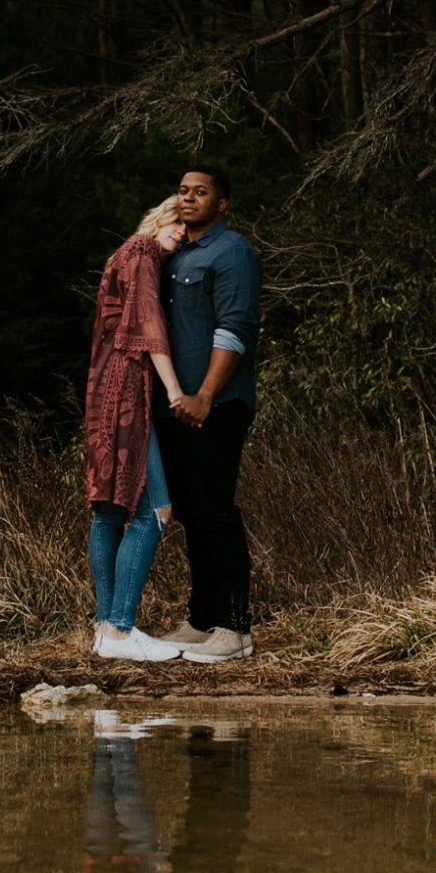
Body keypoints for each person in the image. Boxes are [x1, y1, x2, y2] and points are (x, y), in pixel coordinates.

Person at [154, 166, 262, 662]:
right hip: (174, 405)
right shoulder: (174, 254)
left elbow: (235, 328)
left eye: (201, 191)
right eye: (183, 190)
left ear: (222, 203)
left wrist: (205, 394)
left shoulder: (233, 252)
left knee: (216, 510)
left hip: (216, 404)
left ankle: (235, 629)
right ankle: (202, 620)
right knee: (191, 512)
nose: (189, 197)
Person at [84, 200, 189, 662]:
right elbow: (150, 329)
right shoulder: (143, 252)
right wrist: (175, 390)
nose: (181, 232)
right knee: (156, 510)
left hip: (101, 391)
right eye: (177, 222)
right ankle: (121, 630)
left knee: (109, 512)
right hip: (126, 394)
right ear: (160, 216)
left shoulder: (121, 255)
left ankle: (105, 629)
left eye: (187, 228)